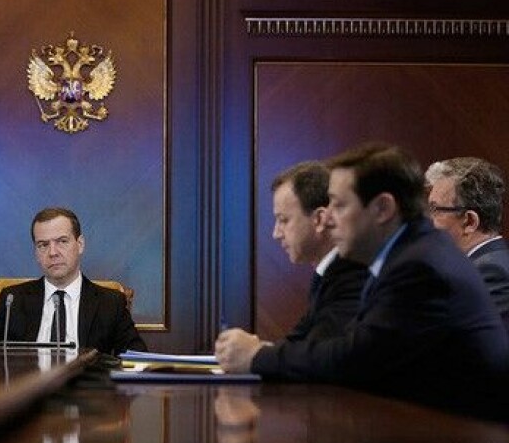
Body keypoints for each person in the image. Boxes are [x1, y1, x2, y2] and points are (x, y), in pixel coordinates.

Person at [215, 142, 508, 417]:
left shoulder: (420, 266)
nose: (329, 220)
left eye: (339, 205)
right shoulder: (408, 254)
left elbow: (354, 359)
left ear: (383, 208)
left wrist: (256, 357)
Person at [0, 207, 146, 355]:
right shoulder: (13, 300)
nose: (53, 252)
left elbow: (137, 357)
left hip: (89, 393)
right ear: (36, 252)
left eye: (62, 241)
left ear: (80, 244)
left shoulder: (110, 302)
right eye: (43, 245)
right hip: (29, 393)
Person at [267, 161, 367, 343]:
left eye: (283, 220)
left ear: (320, 219)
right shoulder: (325, 275)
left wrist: (256, 355)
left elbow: (316, 354)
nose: (276, 234)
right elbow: (297, 344)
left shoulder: (349, 275)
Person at [425, 157, 509, 317]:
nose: (427, 221)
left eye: (435, 209)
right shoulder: (475, 266)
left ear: (470, 221)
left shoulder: (492, 272)